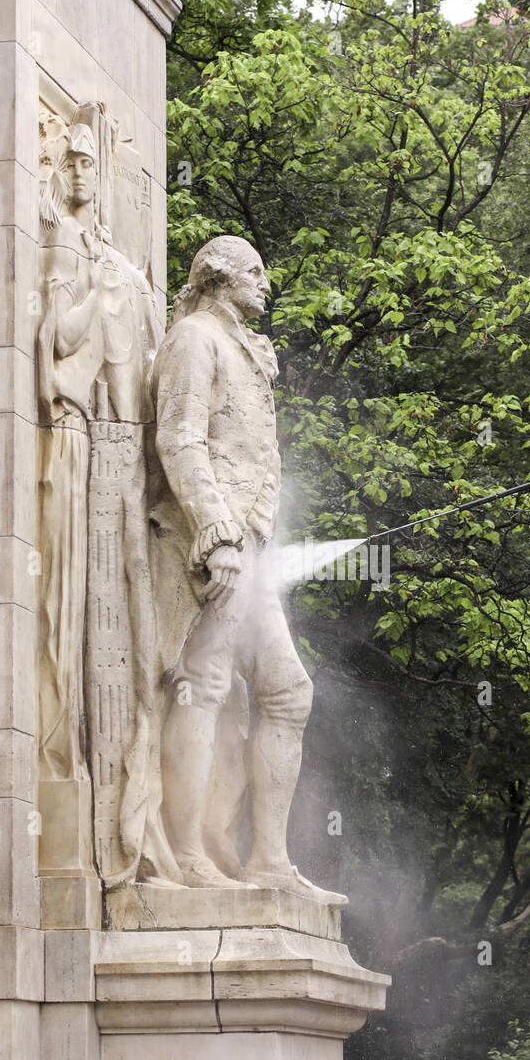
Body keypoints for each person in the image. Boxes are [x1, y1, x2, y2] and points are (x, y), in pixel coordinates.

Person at [149, 234, 346, 904]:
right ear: (219, 277)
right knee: (199, 686)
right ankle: (187, 853)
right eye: (256, 272)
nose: (266, 284)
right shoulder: (194, 338)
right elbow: (179, 437)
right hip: (216, 546)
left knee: (290, 693)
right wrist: (213, 527)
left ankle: (268, 861)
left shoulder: (239, 346)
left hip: (251, 548)